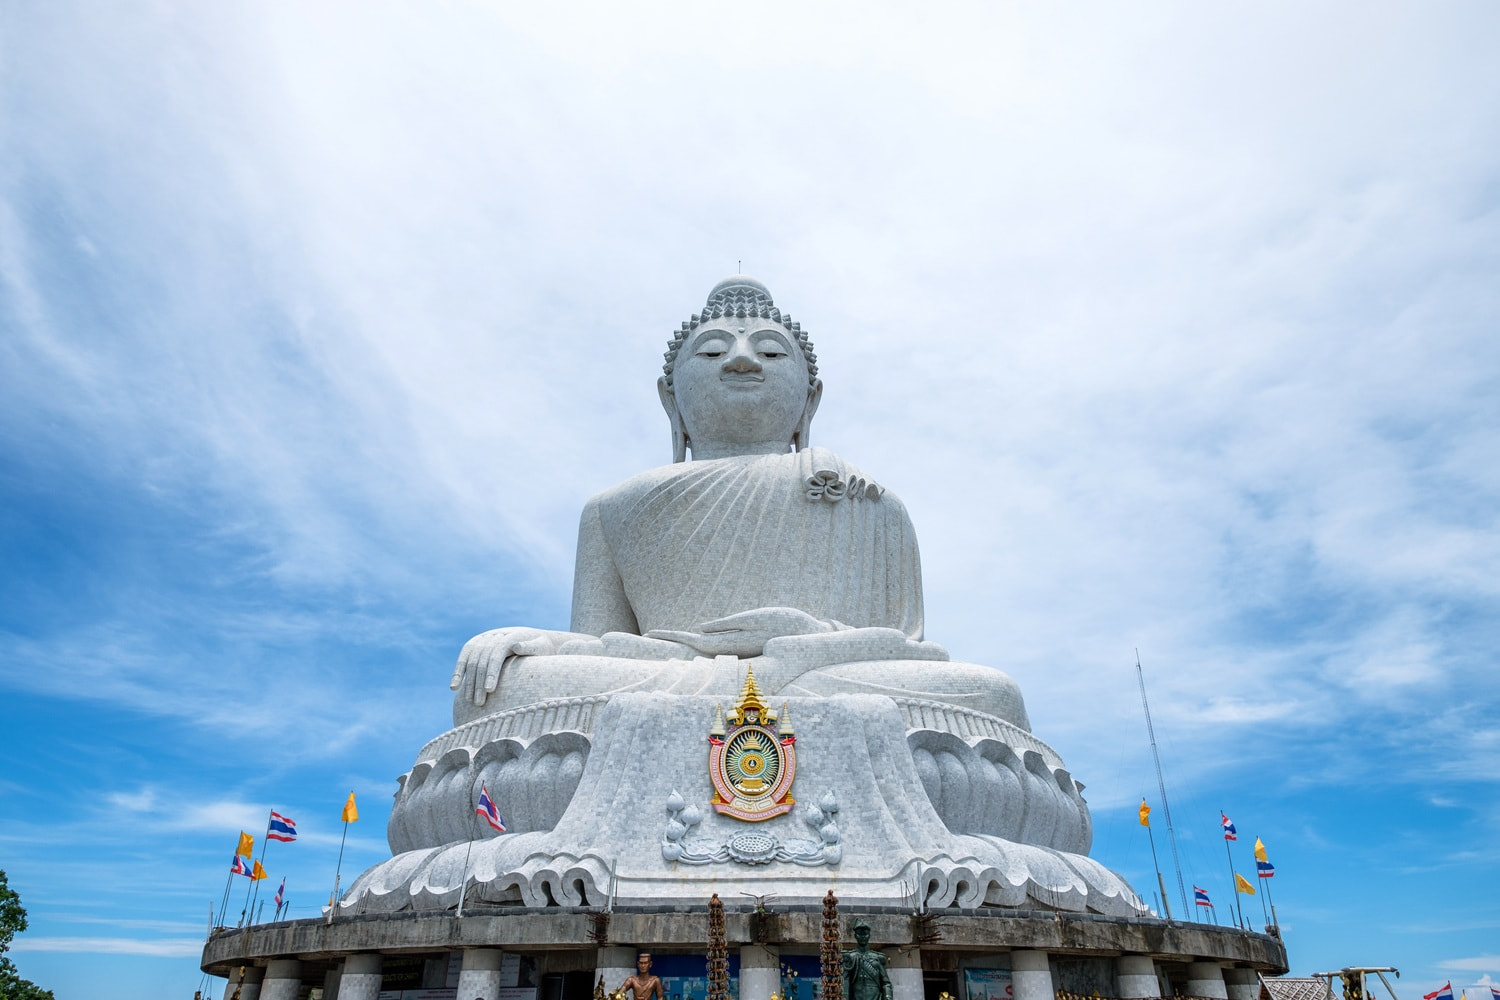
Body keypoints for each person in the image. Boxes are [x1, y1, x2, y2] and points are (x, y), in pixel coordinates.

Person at [447, 276, 1030, 732]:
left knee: (991, 694)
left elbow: (906, 650)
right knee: (504, 690)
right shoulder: (612, 508)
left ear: (810, 399)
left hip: (817, 674)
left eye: (772, 354)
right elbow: (605, 648)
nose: (742, 361)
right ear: (670, 398)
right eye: (711, 353)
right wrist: (544, 644)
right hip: (671, 675)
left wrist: (801, 637)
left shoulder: (864, 498)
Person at [841, 921, 893, 1000]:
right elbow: (845, 981)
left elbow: (886, 983)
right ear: (855, 936)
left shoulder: (878, 958)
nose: (863, 937)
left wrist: (888, 996)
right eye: (859, 934)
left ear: (869, 935)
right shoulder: (851, 957)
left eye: (865, 934)